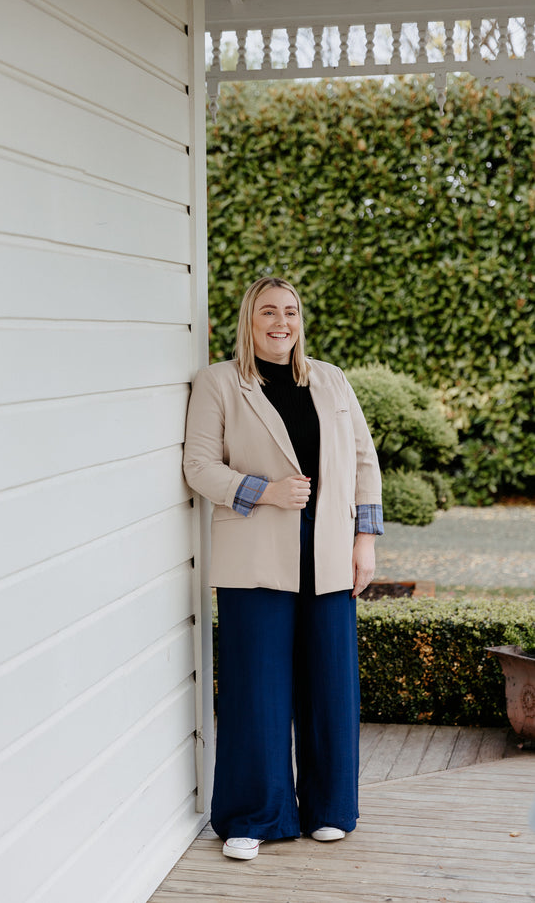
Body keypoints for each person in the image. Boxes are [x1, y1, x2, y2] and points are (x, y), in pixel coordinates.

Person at [183, 276, 383, 860]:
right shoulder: (219, 382)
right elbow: (198, 465)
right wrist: (263, 491)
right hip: (254, 553)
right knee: (256, 687)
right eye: (268, 311)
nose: (281, 322)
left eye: (290, 311)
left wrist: (364, 541)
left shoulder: (331, 379)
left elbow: (364, 461)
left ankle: (329, 808)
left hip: (328, 550)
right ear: (249, 319)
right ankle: (253, 815)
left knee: (331, 683)